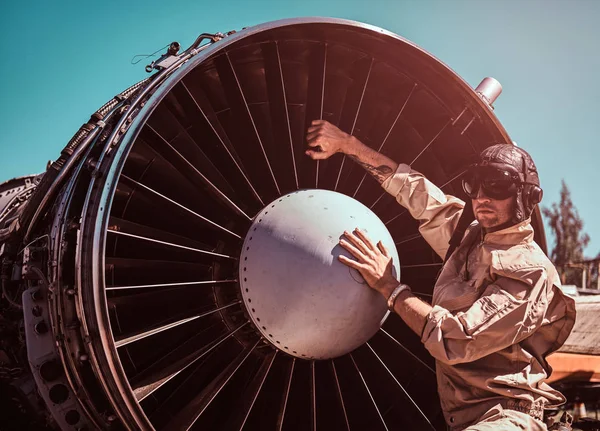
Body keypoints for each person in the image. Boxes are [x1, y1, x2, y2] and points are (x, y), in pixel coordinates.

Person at [305, 120, 576, 431]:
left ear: (527, 197)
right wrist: (348, 145)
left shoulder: (530, 272)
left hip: (505, 417)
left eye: (497, 185)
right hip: (462, 417)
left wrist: (389, 286)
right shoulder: (470, 237)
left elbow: (456, 339)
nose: (482, 197)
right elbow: (416, 192)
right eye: (474, 185)